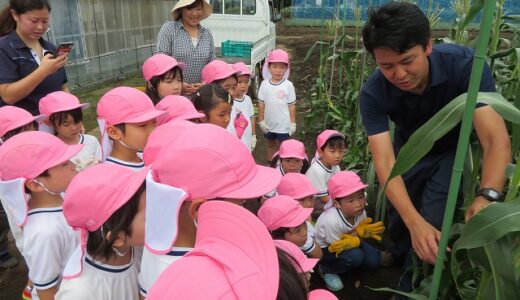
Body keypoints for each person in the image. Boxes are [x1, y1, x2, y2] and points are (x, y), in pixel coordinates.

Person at [360, 2, 511, 291]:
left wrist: (488, 196)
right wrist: (412, 222)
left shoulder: (465, 66)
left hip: (451, 155)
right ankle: (401, 250)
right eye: (387, 66)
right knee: (402, 219)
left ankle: (412, 284)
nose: (399, 74)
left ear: (428, 46)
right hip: (409, 152)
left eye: (407, 61)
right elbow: (385, 161)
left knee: (431, 222)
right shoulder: (374, 92)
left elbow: (495, 140)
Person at [139, 124, 281, 297]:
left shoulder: (159, 240)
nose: (246, 213)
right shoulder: (196, 283)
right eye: (241, 203)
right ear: (198, 210)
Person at [56, 164, 162, 299]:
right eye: (149, 216)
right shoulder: (79, 293)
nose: (159, 216)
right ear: (117, 238)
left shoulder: (137, 248)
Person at [0, 131, 82, 300]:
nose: (73, 165)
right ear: (35, 185)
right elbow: (47, 290)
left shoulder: (62, 198)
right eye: (65, 163)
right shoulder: (45, 232)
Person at [145, 201, 280, 300]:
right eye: (239, 205)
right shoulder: (167, 265)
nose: (244, 211)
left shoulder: (166, 267)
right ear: (196, 209)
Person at [315, 171, 384, 292]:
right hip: (328, 249)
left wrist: (358, 236)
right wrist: (358, 234)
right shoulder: (331, 221)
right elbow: (336, 247)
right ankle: (326, 268)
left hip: (350, 241)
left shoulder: (360, 211)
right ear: (336, 203)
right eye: (351, 201)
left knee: (374, 261)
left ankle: (350, 265)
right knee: (357, 256)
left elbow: (357, 237)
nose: (359, 204)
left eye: (361, 197)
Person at [0, 0, 69, 115]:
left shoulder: (51, 49)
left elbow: (63, 87)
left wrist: (73, 114)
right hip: (23, 127)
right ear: (15, 15)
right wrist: (43, 71)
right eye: (34, 21)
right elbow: (8, 96)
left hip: (55, 124)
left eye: (45, 21)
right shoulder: (4, 48)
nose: (40, 27)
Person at [96, 86, 165, 169]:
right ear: (113, 132)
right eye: (142, 125)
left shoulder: (147, 157)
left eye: (154, 122)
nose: (153, 131)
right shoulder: (112, 175)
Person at [156, 0, 215, 95]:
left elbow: (212, 64)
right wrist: (178, 84)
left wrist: (205, 85)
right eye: (190, 8)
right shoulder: (169, 29)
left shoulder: (206, 33)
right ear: (181, 10)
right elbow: (161, 61)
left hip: (200, 95)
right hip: (174, 93)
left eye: (199, 9)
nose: (195, 13)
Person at [39, 91, 101, 170]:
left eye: (77, 121)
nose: (74, 128)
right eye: (66, 124)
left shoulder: (91, 141)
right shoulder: (51, 150)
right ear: (49, 123)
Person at [257, 49, 297, 163]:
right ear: (269, 67)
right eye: (275, 67)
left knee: (283, 146)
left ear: (286, 69)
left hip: (283, 124)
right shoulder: (264, 84)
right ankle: (271, 163)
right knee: (270, 144)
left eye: (282, 67)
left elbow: (291, 106)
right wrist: (261, 121)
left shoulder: (288, 85)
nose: (278, 70)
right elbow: (261, 104)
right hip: (269, 123)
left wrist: (293, 123)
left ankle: (282, 165)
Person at [277, 173, 322, 259]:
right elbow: (318, 255)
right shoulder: (293, 228)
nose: (309, 204)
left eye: (311, 197)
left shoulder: (304, 216)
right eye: (301, 200)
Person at [305, 130, 345, 213]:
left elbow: (338, 186)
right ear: (321, 152)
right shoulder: (317, 170)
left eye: (341, 151)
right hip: (313, 200)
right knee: (339, 209)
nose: (337, 155)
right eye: (332, 151)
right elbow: (324, 198)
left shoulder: (336, 167)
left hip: (327, 195)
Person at [229, 61, 256, 151]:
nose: (243, 86)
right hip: (235, 140)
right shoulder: (229, 101)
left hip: (247, 137)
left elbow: (251, 118)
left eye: (246, 82)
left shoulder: (247, 99)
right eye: (239, 82)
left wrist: (253, 135)